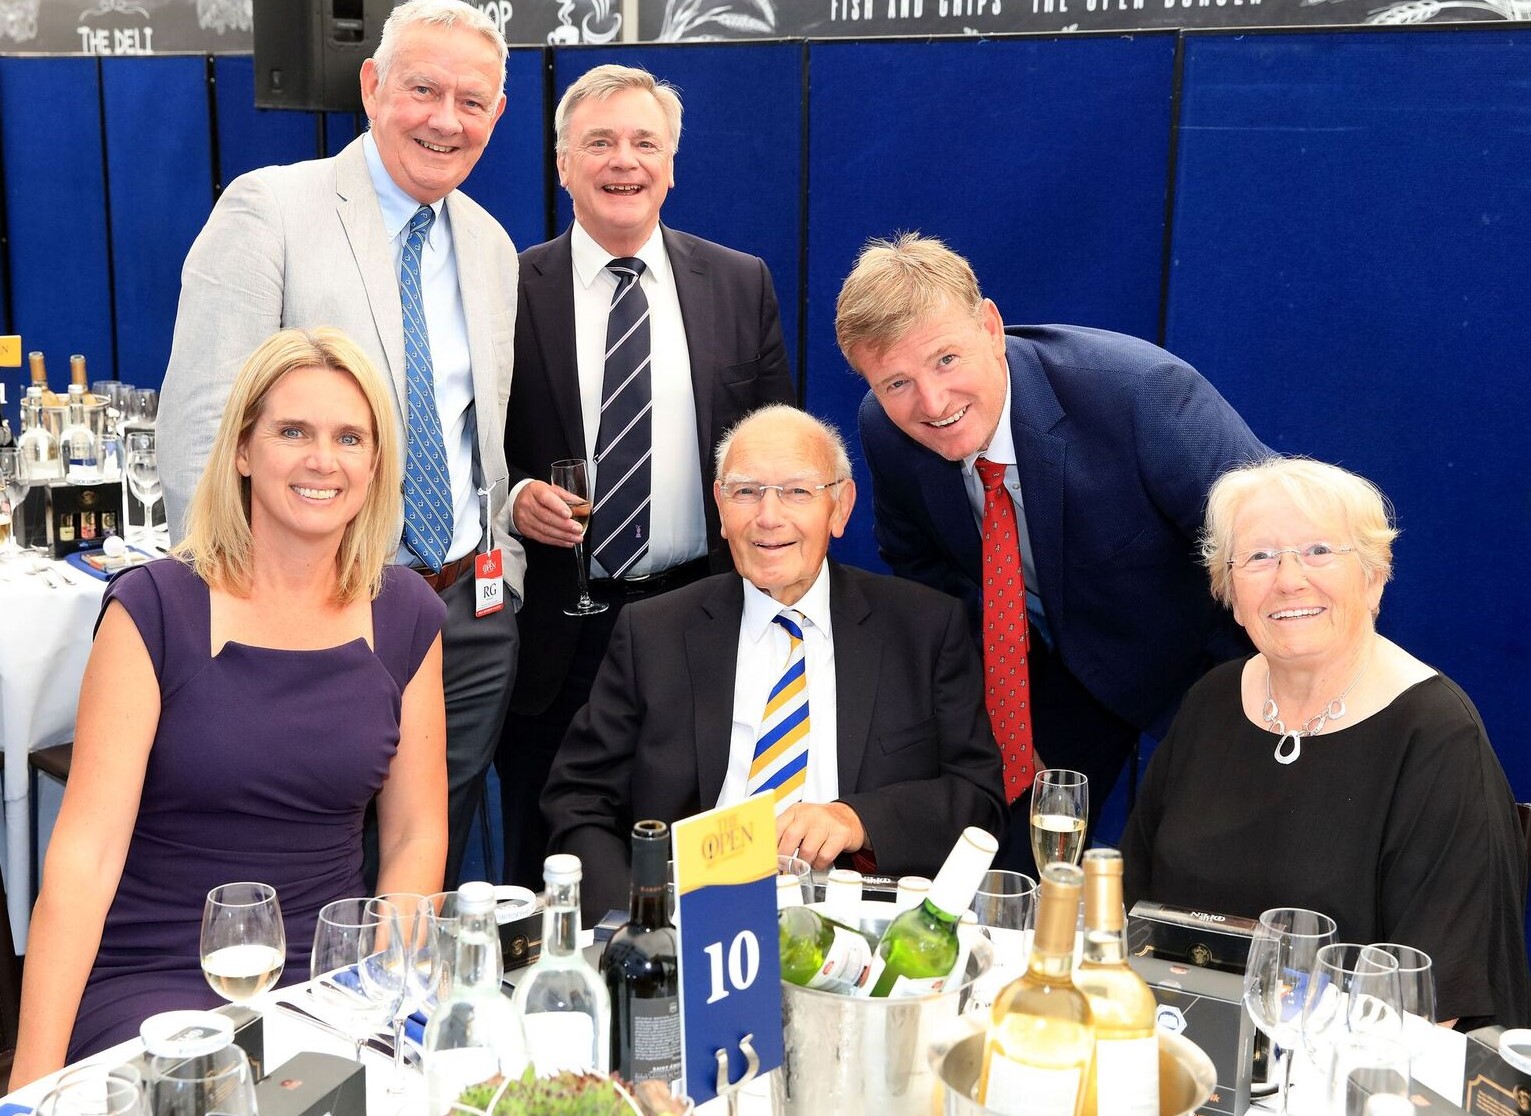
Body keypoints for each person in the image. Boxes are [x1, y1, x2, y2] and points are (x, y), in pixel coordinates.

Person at [10, 328, 447, 1085]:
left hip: (326, 982)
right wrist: (33, 1083)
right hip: (156, 977)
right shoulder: (154, 609)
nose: (323, 460)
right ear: (242, 449)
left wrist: (382, 993)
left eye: (350, 438)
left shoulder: (405, 613)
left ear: (376, 465)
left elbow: (414, 835)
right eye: (293, 432)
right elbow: (85, 860)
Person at [156, 0, 520, 886]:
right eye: (423, 90)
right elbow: (203, 424)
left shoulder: (492, 246)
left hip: (465, 618)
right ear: (371, 85)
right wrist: (227, 610)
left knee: (421, 860)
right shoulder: (271, 209)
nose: (446, 119)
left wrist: (502, 570)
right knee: (298, 870)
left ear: (498, 115)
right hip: (308, 611)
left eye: (471, 101)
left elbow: (475, 434)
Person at [840, 232, 1268, 872]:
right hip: (1051, 663)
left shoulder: (1138, 394)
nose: (932, 403)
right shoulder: (886, 429)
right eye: (896, 381)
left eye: (946, 360)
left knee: (1205, 868)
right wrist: (997, 710)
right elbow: (927, 575)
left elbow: (1272, 539)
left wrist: (1286, 693)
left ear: (990, 327)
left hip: (1204, 657)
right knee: (1004, 863)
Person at [498, 63, 794, 889]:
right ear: (563, 164)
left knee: (697, 860)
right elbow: (468, 441)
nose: (622, 161)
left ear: (670, 166)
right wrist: (516, 497)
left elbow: (778, 448)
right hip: (557, 629)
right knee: (549, 861)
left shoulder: (739, 283)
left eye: (643, 143)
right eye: (599, 142)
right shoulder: (507, 289)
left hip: (700, 617)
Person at [542, 405, 1006, 921]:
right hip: (692, 920)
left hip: (858, 920)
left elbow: (978, 800)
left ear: (840, 507)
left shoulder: (923, 628)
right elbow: (578, 800)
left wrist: (857, 821)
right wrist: (642, 923)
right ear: (721, 507)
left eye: (797, 491)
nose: (768, 517)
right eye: (746, 491)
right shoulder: (653, 633)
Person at [1121, 457, 1530, 1028]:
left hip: (1345, 1063)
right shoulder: (1211, 700)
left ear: (1374, 578)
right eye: (1260, 556)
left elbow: (1433, 1005)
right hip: (1178, 1035)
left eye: (1318, 551)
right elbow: (1129, 907)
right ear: (1230, 591)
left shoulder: (1437, 736)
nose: (1289, 579)